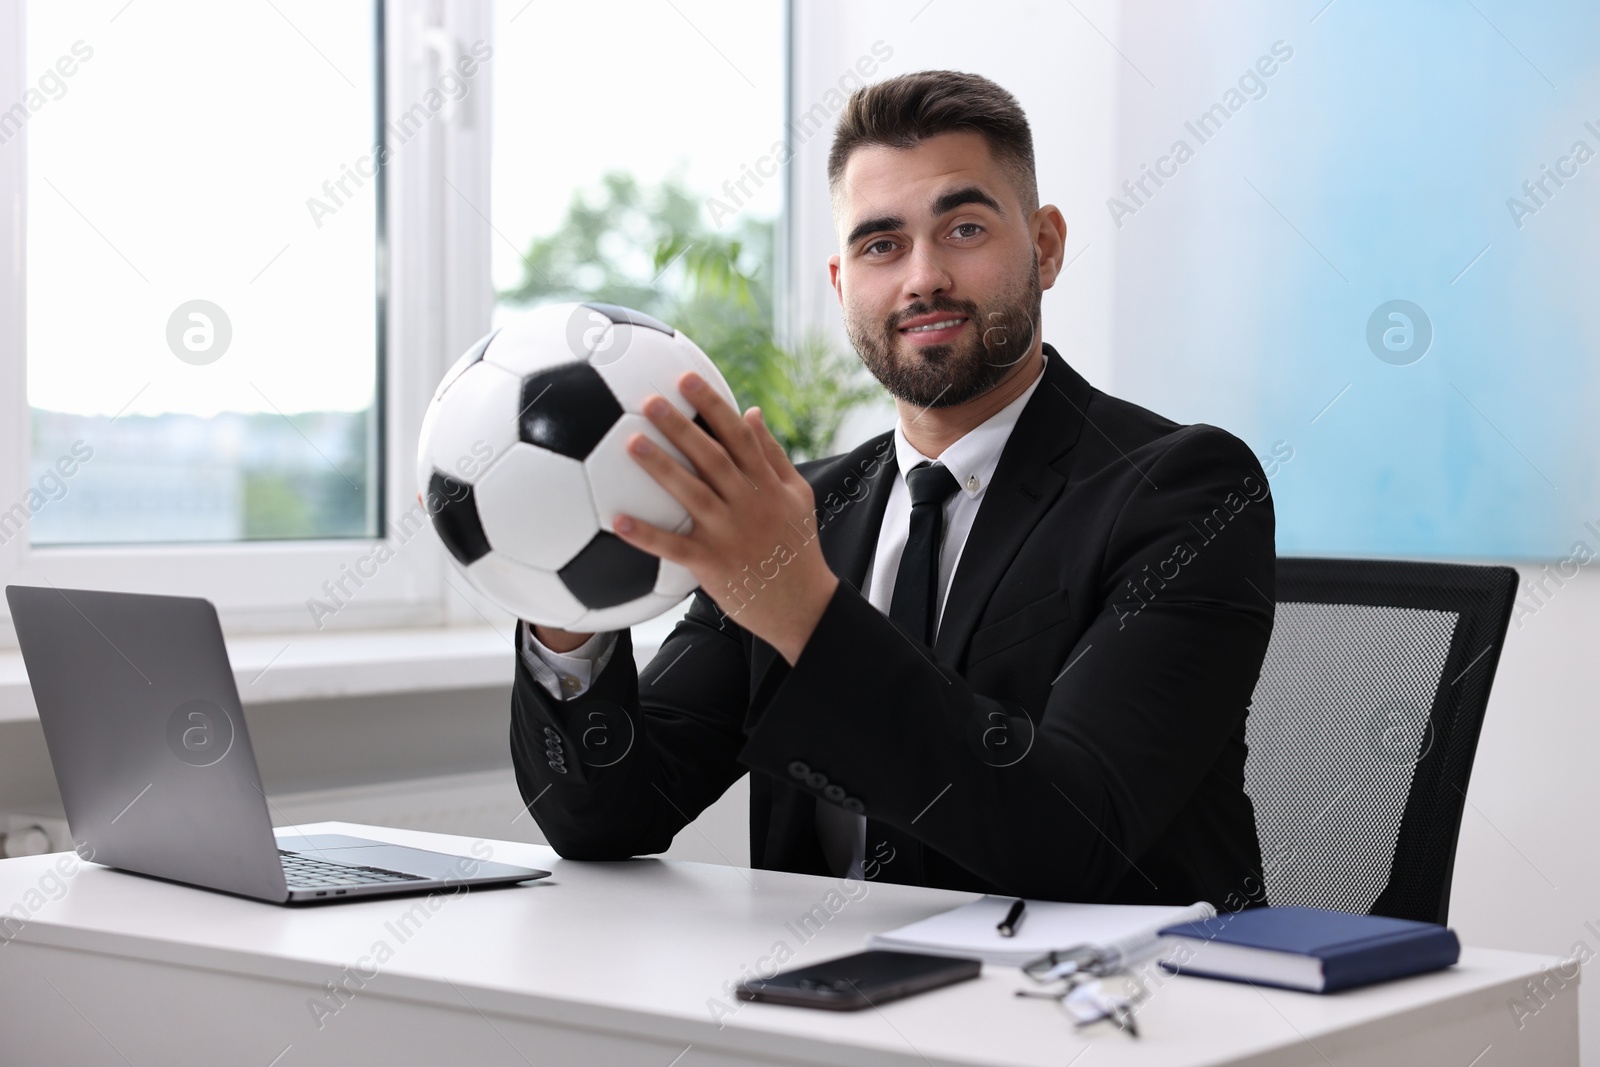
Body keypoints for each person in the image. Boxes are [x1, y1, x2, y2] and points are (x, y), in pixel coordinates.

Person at [510, 70, 1275, 905]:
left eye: (965, 228)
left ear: (1046, 246)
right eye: (882, 245)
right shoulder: (804, 511)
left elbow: (1072, 839)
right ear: (842, 285)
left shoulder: (1185, 491)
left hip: (1104, 1014)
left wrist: (805, 607)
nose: (923, 278)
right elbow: (609, 819)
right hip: (829, 1007)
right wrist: (567, 596)